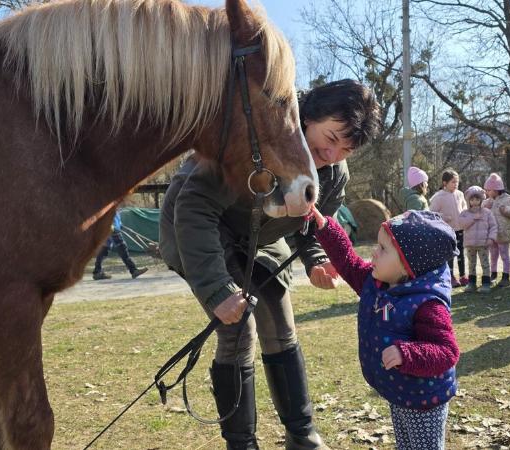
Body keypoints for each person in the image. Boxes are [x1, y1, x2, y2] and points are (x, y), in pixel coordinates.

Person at [159, 79, 380, 450]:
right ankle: (241, 444)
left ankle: (302, 435)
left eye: (346, 149)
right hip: (198, 228)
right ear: (307, 116)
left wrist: (317, 260)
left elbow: (314, 221)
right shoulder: (252, 138)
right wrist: (217, 290)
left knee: (281, 322)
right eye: (330, 137)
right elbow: (194, 209)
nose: (333, 152)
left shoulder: (332, 173)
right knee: (237, 327)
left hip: (260, 237)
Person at [309, 207, 459, 450]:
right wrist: (325, 227)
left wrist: (406, 353)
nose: (374, 254)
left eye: (383, 249)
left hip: (424, 398)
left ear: (408, 266)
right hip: (399, 390)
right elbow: (348, 262)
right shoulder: (378, 282)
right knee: (406, 445)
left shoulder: (428, 305)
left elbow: (446, 352)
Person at [429, 169, 467, 287]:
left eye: (457, 182)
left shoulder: (460, 194)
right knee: (450, 254)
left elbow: (464, 206)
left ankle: (463, 275)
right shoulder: (438, 196)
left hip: (459, 228)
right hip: (446, 230)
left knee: (460, 252)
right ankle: (450, 276)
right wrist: (444, 217)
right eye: (453, 182)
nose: (456, 184)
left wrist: (464, 214)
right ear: (444, 183)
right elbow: (432, 213)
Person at [458, 186, 497, 293]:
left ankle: (485, 283)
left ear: (481, 200)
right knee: (471, 264)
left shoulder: (487, 213)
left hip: (483, 243)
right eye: (472, 199)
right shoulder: (465, 213)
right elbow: (461, 224)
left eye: (477, 199)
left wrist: (491, 238)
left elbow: (493, 226)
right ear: (468, 200)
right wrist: (472, 218)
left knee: (485, 263)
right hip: (470, 244)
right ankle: (472, 283)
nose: (474, 202)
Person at [483, 173, 510, 287]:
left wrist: (506, 210)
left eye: (489, 190)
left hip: (503, 233)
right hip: (493, 234)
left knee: (504, 255)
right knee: (493, 255)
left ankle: (506, 276)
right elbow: (482, 210)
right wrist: (485, 207)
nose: (487, 192)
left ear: (496, 189)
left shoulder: (508, 199)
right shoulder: (489, 201)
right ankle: (493, 274)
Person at [92, 210, 148, 280]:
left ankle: (97, 272)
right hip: (112, 229)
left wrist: (120, 225)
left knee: (104, 250)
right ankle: (133, 270)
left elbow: (116, 217)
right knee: (122, 247)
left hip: (111, 228)